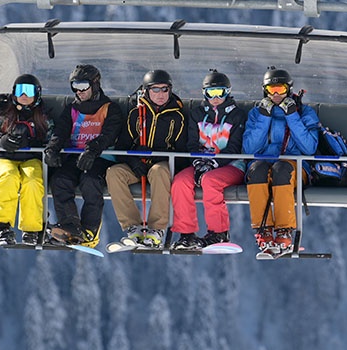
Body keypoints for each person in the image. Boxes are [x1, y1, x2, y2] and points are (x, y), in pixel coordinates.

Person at [243, 67, 321, 256]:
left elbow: (309, 148)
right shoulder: (256, 114)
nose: (276, 94)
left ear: (289, 89)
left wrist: (292, 115)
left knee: (281, 169)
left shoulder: (304, 113)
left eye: (280, 89)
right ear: (265, 90)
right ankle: (264, 230)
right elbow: (249, 149)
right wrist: (264, 117)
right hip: (265, 164)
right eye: (271, 90)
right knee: (256, 170)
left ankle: (284, 231)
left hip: (295, 167)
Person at [44, 64, 123, 247]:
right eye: (75, 87)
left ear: (95, 85)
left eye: (83, 86)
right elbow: (61, 132)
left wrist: (93, 150)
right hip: (74, 156)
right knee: (60, 180)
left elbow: (109, 134)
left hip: (101, 157)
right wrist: (52, 149)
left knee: (90, 181)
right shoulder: (72, 109)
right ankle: (70, 225)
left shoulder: (109, 108)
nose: (79, 92)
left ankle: (90, 230)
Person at [106, 69, 187, 247]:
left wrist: (157, 156)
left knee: (159, 172)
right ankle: (132, 227)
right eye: (155, 90)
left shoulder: (177, 117)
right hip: (138, 165)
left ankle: (156, 228)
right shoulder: (136, 114)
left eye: (164, 89)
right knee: (114, 173)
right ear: (146, 91)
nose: (160, 94)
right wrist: (133, 160)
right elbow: (122, 147)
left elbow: (182, 154)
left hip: (162, 166)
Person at [170, 70, 248, 250]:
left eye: (219, 92)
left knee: (210, 181)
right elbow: (191, 143)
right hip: (201, 163)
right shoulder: (197, 114)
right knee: (180, 182)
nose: (215, 98)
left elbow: (234, 147)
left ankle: (218, 233)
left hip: (231, 164)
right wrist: (198, 161)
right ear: (203, 93)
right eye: (210, 93)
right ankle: (186, 234)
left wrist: (214, 163)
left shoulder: (237, 115)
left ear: (227, 92)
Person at [0, 74, 51, 245]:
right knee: (9, 177)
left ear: (37, 94)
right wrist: (0, 140)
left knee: (33, 180)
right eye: (20, 90)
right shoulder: (3, 112)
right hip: (3, 158)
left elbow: (53, 138)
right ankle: (0, 227)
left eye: (28, 91)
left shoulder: (42, 117)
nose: (24, 95)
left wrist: (37, 144)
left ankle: (32, 229)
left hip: (31, 159)